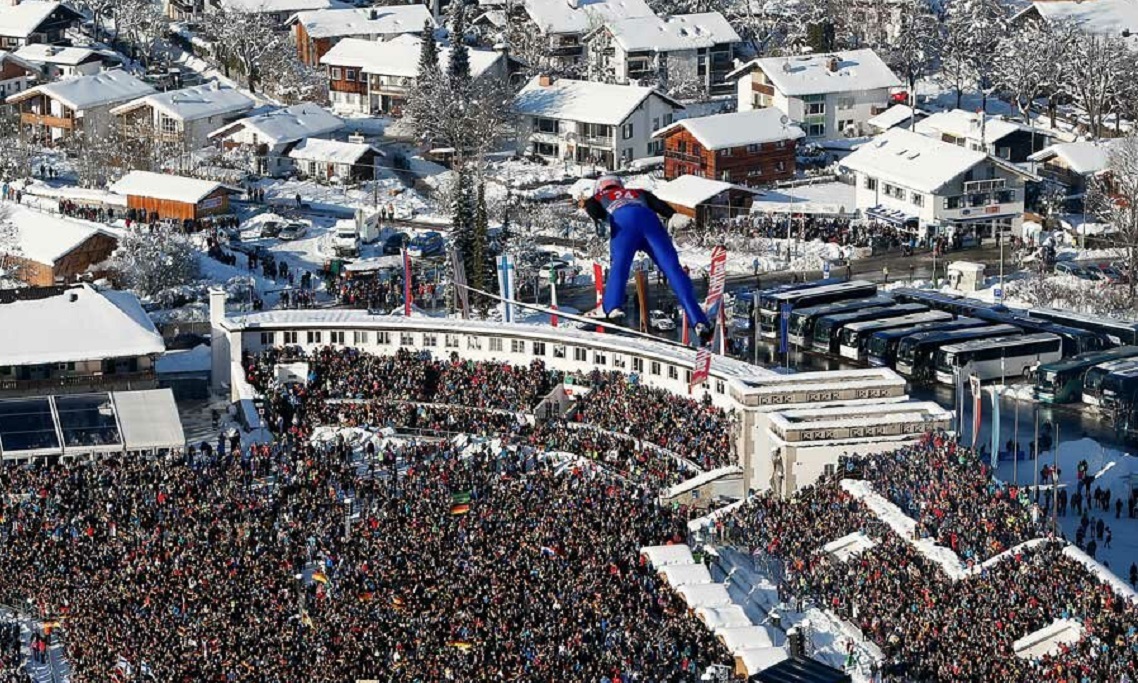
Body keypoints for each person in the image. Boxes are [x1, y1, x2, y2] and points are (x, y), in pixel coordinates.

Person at [583, 175, 712, 342]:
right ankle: (699, 320)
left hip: (623, 223)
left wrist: (599, 220)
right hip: (649, 221)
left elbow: (592, 208)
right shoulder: (638, 192)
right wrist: (673, 215)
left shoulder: (599, 196)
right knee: (673, 269)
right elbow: (659, 205)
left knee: (620, 266)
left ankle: (612, 307)